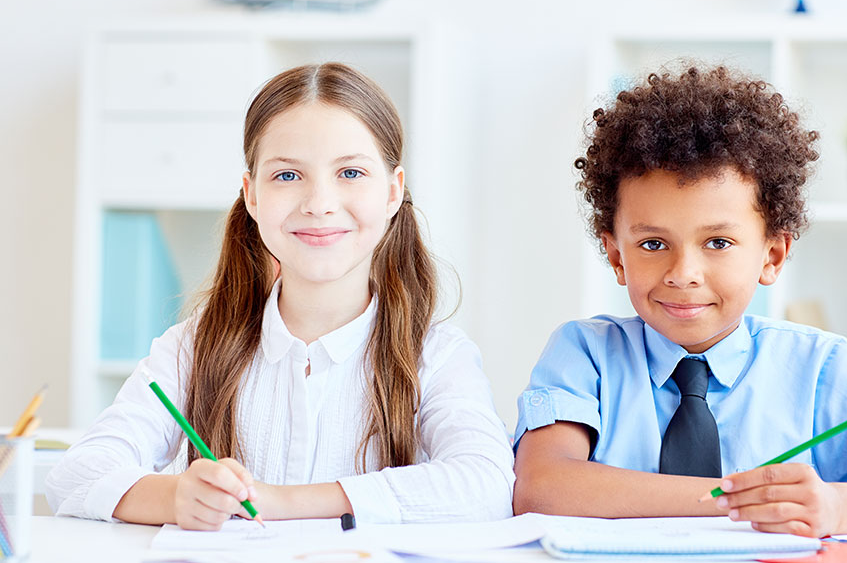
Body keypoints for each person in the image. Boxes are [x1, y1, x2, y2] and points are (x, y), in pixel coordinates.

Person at [511, 65, 847, 536]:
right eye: (653, 244)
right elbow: (543, 486)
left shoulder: (821, 366)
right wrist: (737, 501)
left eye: (718, 242)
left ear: (772, 255)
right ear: (616, 255)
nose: (683, 275)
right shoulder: (585, 354)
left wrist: (837, 506)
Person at [47, 63, 514, 529]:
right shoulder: (191, 348)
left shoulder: (436, 356)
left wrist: (281, 502)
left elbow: (487, 485)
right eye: (288, 176)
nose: (319, 203)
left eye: (350, 172)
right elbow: (76, 474)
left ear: (393, 192)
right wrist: (175, 497)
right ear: (251, 196)